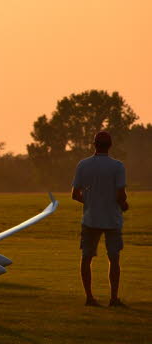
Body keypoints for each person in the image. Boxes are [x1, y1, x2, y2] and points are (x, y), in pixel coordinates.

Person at [71, 131, 129, 307]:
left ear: (94, 144)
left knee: (86, 258)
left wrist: (89, 201)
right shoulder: (118, 166)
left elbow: (75, 194)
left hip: (90, 219)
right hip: (112, 219)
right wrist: (124, 205)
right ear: (110, 145)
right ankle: (113, 298)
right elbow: (121, 194)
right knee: (114, 259)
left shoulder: (83, 165)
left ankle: (89, 297)